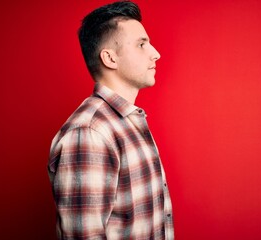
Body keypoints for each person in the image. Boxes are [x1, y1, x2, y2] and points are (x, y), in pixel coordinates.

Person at [47, 1, 174, 239]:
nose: (155, 53)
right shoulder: (90, 132)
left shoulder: (127, 122)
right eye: (141, 44)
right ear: (110, 58)